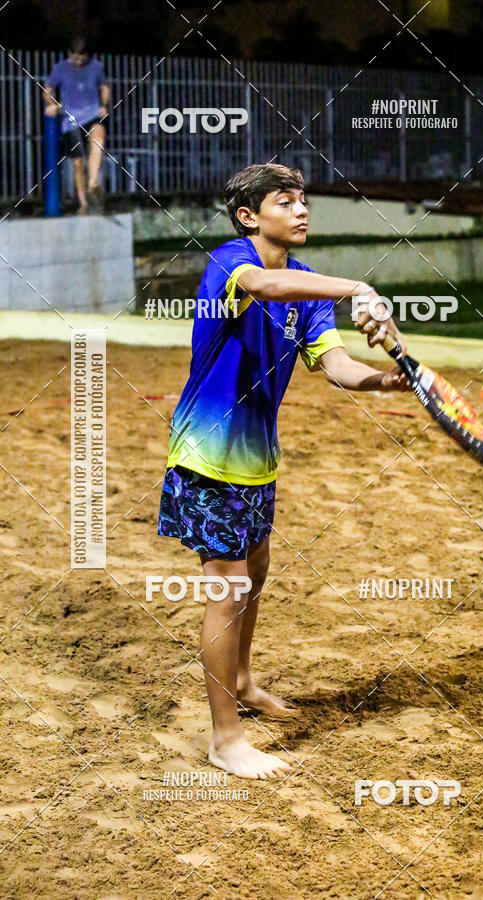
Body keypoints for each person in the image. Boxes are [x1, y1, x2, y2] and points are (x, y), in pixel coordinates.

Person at [158, 163, 408, 780]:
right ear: (249, 216)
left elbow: (337, 364)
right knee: (228, 586)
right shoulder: (230, 262)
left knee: (258, 569)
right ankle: (224, 739)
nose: (302, 211)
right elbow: (264, 289)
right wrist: (356, 288)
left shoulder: (307, 287)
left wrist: (383, 380)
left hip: (256, 460)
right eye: (285, 201)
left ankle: (241, 680)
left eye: (304, 201)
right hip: (207, 454)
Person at [43, 37, 110, 215]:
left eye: (82, 58)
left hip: (92, 114)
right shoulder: (60, 68)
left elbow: (104, 87)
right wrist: (50, 104)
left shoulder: (96, 67)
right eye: (75, 58)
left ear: (88, 55)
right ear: (69, 54)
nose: (79, 61)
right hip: (70, 120)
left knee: (99, 138)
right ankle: (83, 204)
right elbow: (47, 90)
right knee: (78, 163)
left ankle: (93, 183)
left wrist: (104, 104)